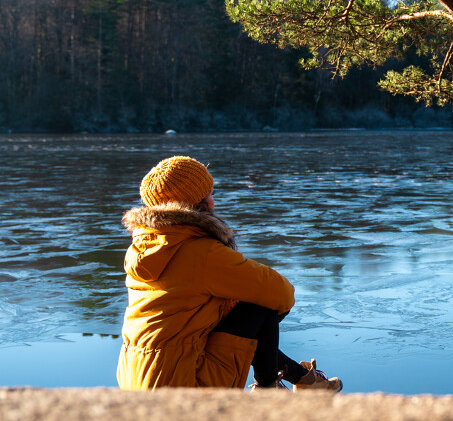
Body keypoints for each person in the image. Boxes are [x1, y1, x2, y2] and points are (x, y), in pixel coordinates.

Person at [116, 155, 342, 392]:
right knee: (260, 302)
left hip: (137, 378)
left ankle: (301, 379)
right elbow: (282, 294)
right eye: (210, 194)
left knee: (230, 312)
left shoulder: (143, 250)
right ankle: (269, 388)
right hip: (181, 382)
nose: (214, 202)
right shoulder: (201, 253)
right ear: (196, 203)